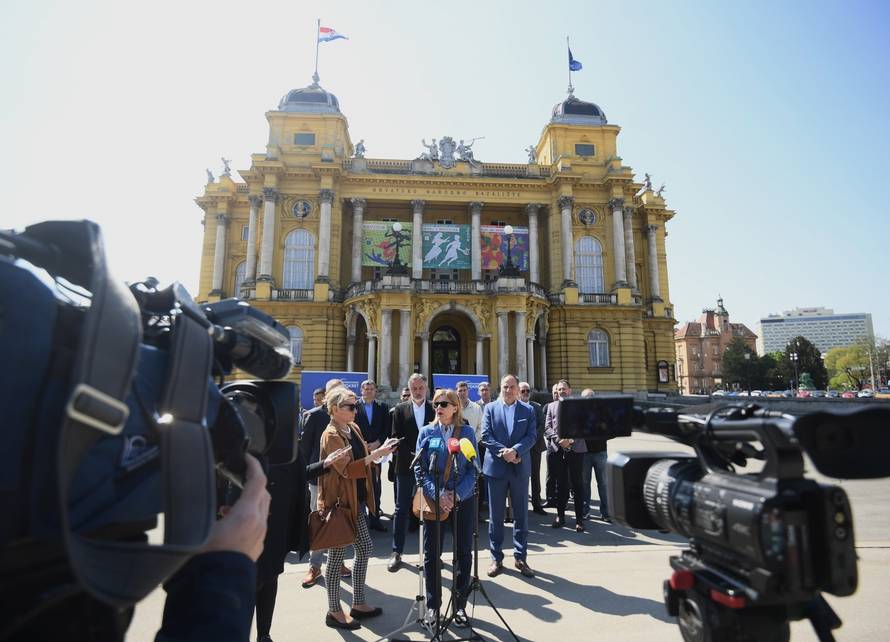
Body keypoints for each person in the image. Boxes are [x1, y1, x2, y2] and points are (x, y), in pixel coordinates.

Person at [317, 387, 400, 630]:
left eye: (356, 406)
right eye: (350, 407)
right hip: (340, 504)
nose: (356, 410)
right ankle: (334, 611)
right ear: (334, 409)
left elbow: (362, 458)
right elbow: (347, 469)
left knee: (364, 547)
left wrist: (378, 453)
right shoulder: (331, 434)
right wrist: (377, 455)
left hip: (357, 501)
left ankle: (358, 602)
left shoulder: (352, 428)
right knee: (336, 557)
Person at [254, 444, 352, 642]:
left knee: (269, 580)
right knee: (249, 587)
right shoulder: (244, 441)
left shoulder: (286, 443)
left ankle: (264, 635)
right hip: (247, 528)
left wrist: (324, 464)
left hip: (276, 529)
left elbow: (299, 474)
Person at [415, 388, 478, 628]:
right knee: (432, 555)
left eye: (443, 404)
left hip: (463, 500)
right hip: (435, 500)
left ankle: (460, 606)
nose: (438, 408)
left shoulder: (467, 433)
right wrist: (439, 494)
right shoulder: (426, 432)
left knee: (463, 552)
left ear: (455, 407)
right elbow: (419, 469)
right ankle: (433, 606)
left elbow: (474, 468)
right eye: (435, 404)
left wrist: (457, 495)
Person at [480, 374, 537, 578]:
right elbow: (486, 436)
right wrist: (505, 452)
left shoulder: (528, 410)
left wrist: (516, 451)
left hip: (519, 468)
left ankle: (521, 557)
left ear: (517, 388)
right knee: (496, 516)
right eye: (505, 386)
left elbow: (532, 436)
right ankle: (496, 558)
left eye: (512, 387)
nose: (509, 390)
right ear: (500, 388)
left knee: (521, 515)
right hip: (497, 468)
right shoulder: (490, 408)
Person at [301, 378, 351, 589]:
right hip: (319, 479)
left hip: (342, 479)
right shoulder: (314, 416)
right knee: (320, 520)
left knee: (338, 520)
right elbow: (304, 449)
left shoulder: (348, 415)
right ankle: (314, 566)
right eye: (335, 391)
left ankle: (337, 562)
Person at [388, 373, 434, 572]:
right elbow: (395, 436)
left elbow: (438, 433)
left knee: (430, 509)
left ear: (426, 388)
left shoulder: (435, 408)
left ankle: (431, 554)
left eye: (420, 388)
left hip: (431, 467)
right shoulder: (399, 410)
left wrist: (425, 454)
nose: (417, 391)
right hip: (405, 465)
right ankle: (396, 551)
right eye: (414, 388)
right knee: (401, 508)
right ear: (409, 389)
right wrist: (414, 453)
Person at [544, 380, 587, 532]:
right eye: (559, 389)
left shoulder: (579, 405)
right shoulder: (551, 406)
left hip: (576, 450)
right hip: (558, 450)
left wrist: (570, 440)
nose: (562, 391)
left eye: (564, 389)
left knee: (577, 485)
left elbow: (583, 426)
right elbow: (547, 428)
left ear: (570, 390)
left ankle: (580, 519)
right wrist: (559, 440)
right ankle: (560, 516)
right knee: (560, 485)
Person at [353, 379, 392, 532]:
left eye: (371, 389)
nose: (368, 391)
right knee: (360, 486)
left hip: (377, 452)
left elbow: (386, 428)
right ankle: (359, 520)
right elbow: (351, 426)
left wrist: (377, 443)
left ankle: (375, 519)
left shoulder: (383, 407)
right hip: (358, 452)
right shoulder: (354, 406)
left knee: (375, 486)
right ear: (361, 390)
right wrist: (362, 445)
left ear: (376, 391)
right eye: (366, 388)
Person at [579, 388, 610, 522]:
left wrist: (601, 435)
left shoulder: (602, 413)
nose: (588, 400)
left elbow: (612, 429)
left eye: (591, 397)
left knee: (603, 483)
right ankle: (585, 511)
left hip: (600, 452)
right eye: (586, 398)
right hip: (584, 454)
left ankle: (606, 512)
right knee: (584, 484)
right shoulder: (579, 414)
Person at [519, 382, 547, 515]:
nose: (525, 393)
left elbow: (542, 425)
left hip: (535, 447)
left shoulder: (537, 407)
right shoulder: (515, 407)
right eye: (523, 391)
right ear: (518, 392)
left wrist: (531, 440)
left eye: (527, 391)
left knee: (535, 476)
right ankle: (521, 505)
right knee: (520, 477)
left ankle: (537, 504)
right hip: (520, 449)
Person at [544, 384, 560, 508]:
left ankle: (561, 499)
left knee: (563, 476)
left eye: (557, 391)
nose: (556, 394)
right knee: (550, 474)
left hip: (565, 446)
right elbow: (546, 427)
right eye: (554, 392)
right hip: (551, 446)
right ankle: (550, 499)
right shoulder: (547, 407)